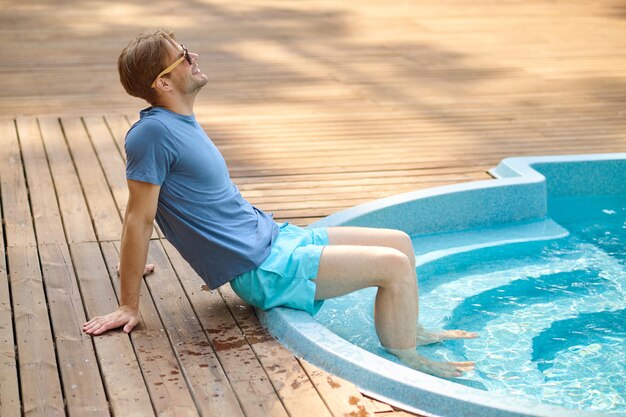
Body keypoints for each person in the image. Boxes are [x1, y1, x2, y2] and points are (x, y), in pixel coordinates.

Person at [83, 29, 477, 379]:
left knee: (400, 244)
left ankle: (409, 329)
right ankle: (405, 361)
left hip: (277, 238)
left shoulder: (177, 122)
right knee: (392, 268)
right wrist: (128, 304)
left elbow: (179, 205)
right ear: (164, 81)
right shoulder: (151, 134)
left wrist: (134, 264)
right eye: (183, 55)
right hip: (263, 268)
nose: (194, 57)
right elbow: (139, 217)